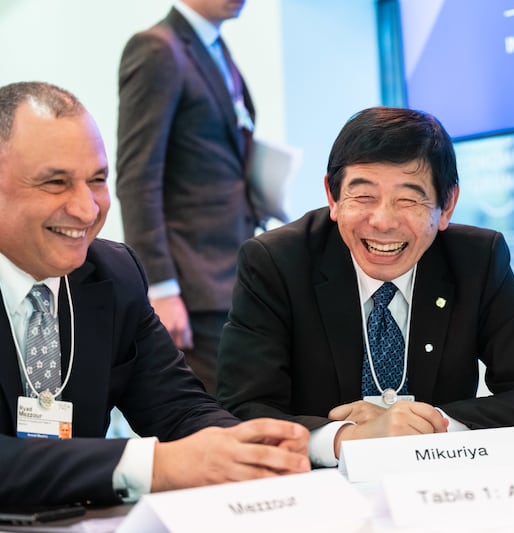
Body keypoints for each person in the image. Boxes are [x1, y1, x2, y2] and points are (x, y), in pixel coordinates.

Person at [0, 81, 309, 506]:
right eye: (56, 183)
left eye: (97, 180)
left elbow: (178, 410)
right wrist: (156, 466)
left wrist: (251, 450)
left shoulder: (113, 274)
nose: (87, 209)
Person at [217, 106, 514, 467]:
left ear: (447, 204)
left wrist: (429, 428)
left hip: (443, 482)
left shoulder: (477, 260)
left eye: (408, 199)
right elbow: (240, 410)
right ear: (333, 196)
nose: (383, 222)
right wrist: (345, 438)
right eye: (364, 196)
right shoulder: (277, 262)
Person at [116, 0, 259, 395]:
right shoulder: (158, 49)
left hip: (231, 272)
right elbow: (136, 177)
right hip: (192, 285)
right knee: (216, 421)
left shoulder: (215, 48)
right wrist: (160, 289)